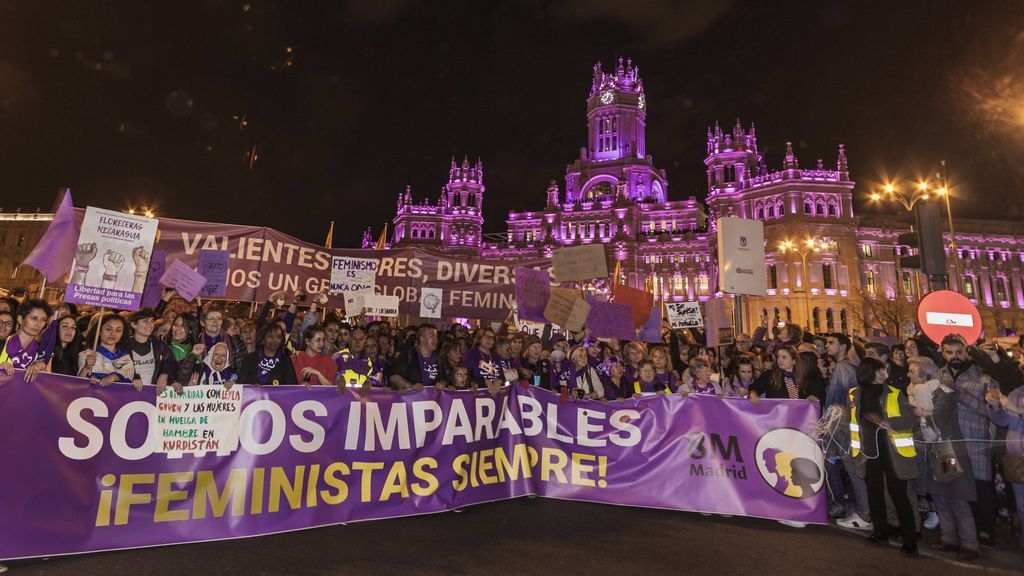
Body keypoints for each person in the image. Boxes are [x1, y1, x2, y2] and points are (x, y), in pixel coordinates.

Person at [909, 356, 979, 561]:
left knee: (956, 497)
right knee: (940, 497)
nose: (908, 375)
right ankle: (949, 538)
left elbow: (937, 418)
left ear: (926, 374)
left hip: (947, 450)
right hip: (934, 449)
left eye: (912, 371)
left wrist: (923, 414)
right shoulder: (918, 395)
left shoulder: (944, 394)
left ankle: (970, 544)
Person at [850, 357, 919, 555]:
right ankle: (880, 530)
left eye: (883, 370)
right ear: (867, 372)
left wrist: (890, 423)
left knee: (899, 494)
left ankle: (910, 538)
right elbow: (853, 421)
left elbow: (910, 420)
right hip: (869, 451)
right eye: (878, 370)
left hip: (894, 453)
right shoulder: (855, 394)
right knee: (875, 492)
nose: (883, 373)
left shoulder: (895, 393)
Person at [938, 334, 999, 547]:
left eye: (958, 351)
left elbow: (993, 412)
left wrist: (960, 396)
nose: (954, 356)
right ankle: (954, 535)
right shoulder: (940, 375)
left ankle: (984, 531)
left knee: (981, 487)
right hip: (949, 442)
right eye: (949, 352)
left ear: (966, 350)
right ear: (942, 352)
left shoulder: (983, 375)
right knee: (953, 486)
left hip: (975, 440)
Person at [826, 333, 872, 532]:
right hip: (851, 422)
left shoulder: (843, 368)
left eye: (831, 343)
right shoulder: (852, 366)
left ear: (843, 346)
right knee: (853, 468)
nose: (827, 346)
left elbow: (835, 400)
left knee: (852, 468)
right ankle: (862, 510)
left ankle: (864, 514)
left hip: (843, 424)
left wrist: (827, 423)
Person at [0, 298, 55, 382]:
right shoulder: (3, 344)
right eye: (34, 318)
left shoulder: (42, 352)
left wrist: (43, 369)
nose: (39, 324)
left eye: (43, 319)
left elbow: (47, 386)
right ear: (20, 319)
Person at [79, 313, 136, 388]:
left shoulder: (126, 358)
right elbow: (78, 384)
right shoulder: (86, 354)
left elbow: (129, 386)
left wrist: (115, 376)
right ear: (99, 331)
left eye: (118, 330)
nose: (113, 333)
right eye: (108, 329)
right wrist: (86, 368)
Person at [127, 308, 177, 393]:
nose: (150, 324)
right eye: (145, 321)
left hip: (154, 395)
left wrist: (164, 374)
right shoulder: (123, 347)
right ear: (133, 324)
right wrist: (133, 377)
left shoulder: (160, 345)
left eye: (152, 321)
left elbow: (170, 363)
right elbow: (117, 369)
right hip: (128, 395)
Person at [389, 324, 440, 390]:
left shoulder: (438, 358)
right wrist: (411, 387)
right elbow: (394, 377)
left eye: (436, 336)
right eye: (432, 336)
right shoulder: (408, 355)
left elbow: (444, 378)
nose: (436, 340)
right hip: (413, 399)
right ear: (422, 338)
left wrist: (442, 383)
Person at [199, 304, 246, 370]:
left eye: (219, 318)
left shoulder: (235, 343)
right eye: (211, 318)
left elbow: (241, 369)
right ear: (202, 322)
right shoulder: (195, 342)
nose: (215, 321)